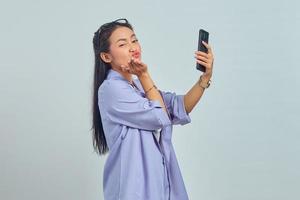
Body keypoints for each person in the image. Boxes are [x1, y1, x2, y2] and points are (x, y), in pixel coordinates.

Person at [91, 18, 214, 200]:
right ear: (106, 56)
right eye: (123, 44)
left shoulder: (139, 86)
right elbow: (159, 116)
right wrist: (145, 75)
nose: (133, 47)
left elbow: (178, 107)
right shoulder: (111, 89)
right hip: (135, 189)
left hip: (158, 184)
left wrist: (205, 78)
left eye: (134, 40)